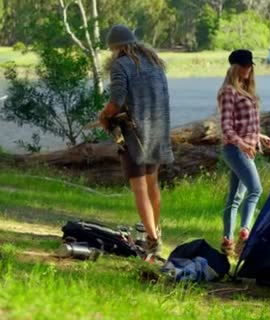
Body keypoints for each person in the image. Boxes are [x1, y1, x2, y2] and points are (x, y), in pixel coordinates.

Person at [99, 25, 174, 260]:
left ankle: (152, 242)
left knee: (139, 187)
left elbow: (116, 100)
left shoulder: (121, 64)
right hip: (157, 130)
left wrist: (104, 116)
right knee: (153, 184)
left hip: (134, 134)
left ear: (116, 47)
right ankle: (156, 231)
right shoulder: (155, 63)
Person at [217, 49, 270, 257]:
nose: (249, 69)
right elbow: (227, 127)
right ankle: (245, 231)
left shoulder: (246, 91)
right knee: (256, 190)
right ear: (235, 68)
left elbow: (244, 124)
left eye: (250, 65)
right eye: (245, 65)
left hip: (244, 148)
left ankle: (227, 242)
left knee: (234, 198)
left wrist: (261, 136)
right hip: (235, 149)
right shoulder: (228, 92)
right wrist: (242, 144)